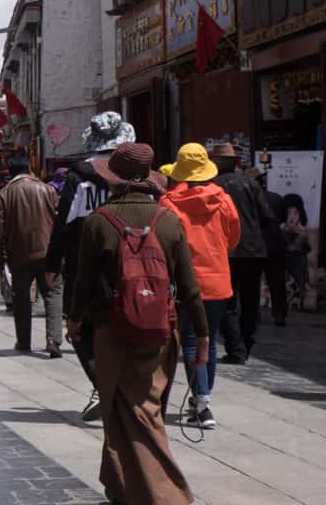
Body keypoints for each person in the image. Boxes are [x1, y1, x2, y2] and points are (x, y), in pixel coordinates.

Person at [68, 143, 208, 505]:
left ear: (112, 179)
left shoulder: (99, 220)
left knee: (129, 409)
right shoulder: (168, 220)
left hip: (111, 328)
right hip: (161, 328)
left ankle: (169, 494)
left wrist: (75, 318)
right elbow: (190, 287)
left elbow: (82, 281)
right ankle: (121, 486)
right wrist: (204, 335)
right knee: (146, 405)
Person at [45, 111, 136, 420]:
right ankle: (125, 385)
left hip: (84, 260)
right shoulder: (133, 173)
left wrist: (53, 262)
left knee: (80, 326)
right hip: (129, 258)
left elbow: (64, 223)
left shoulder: (78, 176)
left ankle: (103, 383)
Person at [161, 143, 240, 428]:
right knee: (210, 338)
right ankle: (201, 399)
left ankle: (203, 401)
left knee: (193, 340)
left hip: (187, 281)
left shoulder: (169, 202)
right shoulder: (224, 200)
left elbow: (166, 244)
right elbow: (233, 239)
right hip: (219, 279)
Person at [210, 143, 274, 365]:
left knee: (226, 302)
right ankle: (246, 345)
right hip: (253, 250)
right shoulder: (251, 184)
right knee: (250, 300)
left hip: (226, 250)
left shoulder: (213, 186)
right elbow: (266, 216)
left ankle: (235, 347)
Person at [0, 159, 63, 357]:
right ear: (30, 169)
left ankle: (23, 341)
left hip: (19, 254)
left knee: (21, 297)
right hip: (48, 252)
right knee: (53, 293)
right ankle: (53, 340)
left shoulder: (5, 193)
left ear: (10, 173)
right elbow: (59, 220)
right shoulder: (48, 190)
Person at [250, 168, 290, 327]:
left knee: (252, 281)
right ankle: (280, 314)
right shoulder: (277, 198)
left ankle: (253, 313)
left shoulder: (249, 199)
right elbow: (283, 219)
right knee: (277, 281)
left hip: (256, 244)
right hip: (276, 243)